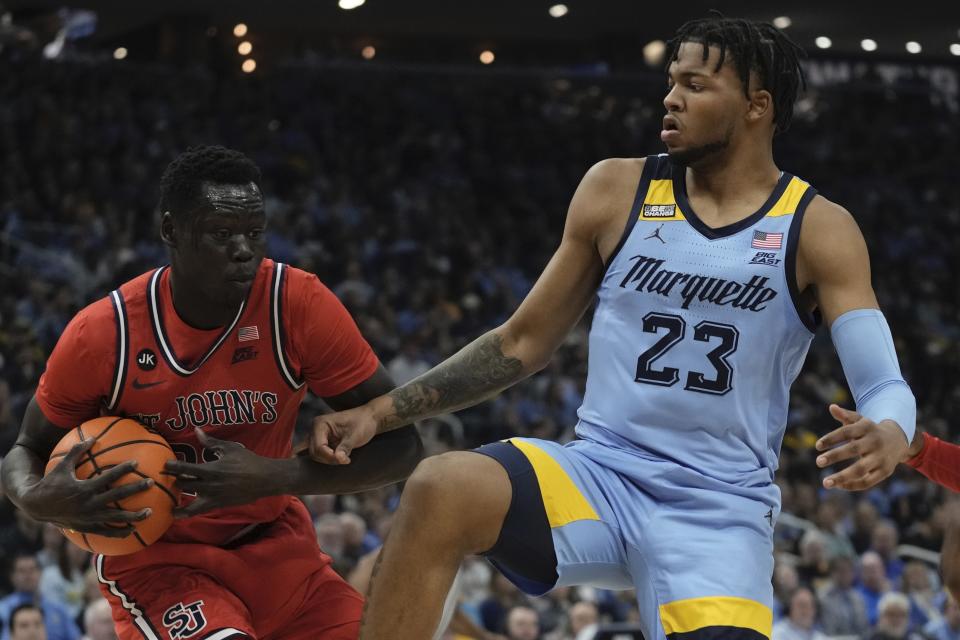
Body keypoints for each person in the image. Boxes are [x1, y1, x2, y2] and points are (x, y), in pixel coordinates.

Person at [308, 15, 916, 640]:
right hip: (599, 475)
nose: (671, 98)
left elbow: (882, 385)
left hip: (718, 513)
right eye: (672, 81)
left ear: (757, 106)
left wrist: (893, 430)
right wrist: (380, 414)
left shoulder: (818, 227)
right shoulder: (616, 188)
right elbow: (520, 343)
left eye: (696, 85)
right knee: (441, 486)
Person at [0, 146, 424, 640]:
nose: (244, 249)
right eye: (222, 234)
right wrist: (34, 497)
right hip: (161, 565)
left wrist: (277, 475)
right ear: (171, 231)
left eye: (255, 232)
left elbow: (404, 446)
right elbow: (27, 448)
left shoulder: (298, 304)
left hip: (281, 551)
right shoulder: (102, 334)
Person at [0, 554, 78, 640]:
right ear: (12, 576)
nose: (27, 575)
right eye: (21, 571)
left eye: (32, 569)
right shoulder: (2, 609)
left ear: (40, 573)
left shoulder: (58, 609)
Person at [818, 555, 869, 636]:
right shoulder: (822, 597)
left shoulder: (858, 598)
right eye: (840, 571)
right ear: (832, 573)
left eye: (848, 571)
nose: (844, 574)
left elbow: (864, 628)